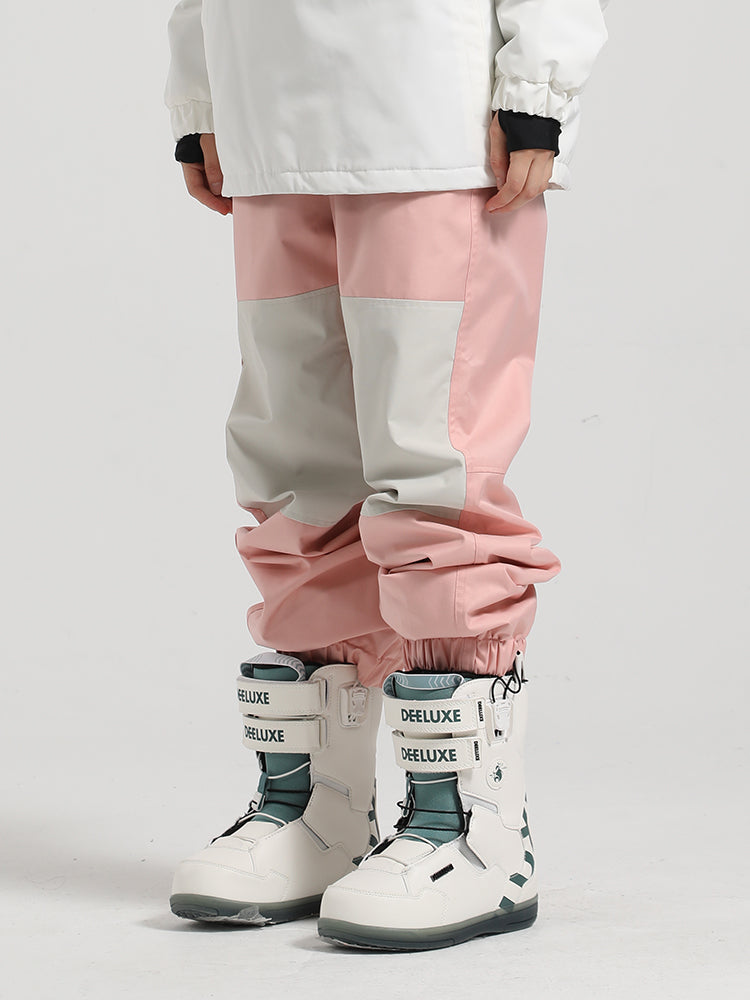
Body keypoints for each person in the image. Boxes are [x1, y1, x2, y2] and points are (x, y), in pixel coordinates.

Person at [163, 0, 610, 951]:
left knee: (435, 466)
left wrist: (538, 84)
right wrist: (201, 91)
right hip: (266, 101)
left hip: (433, 111)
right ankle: (316, 810)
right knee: (297, 466)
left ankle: (471, 829)